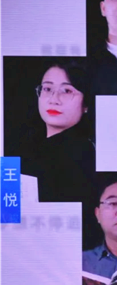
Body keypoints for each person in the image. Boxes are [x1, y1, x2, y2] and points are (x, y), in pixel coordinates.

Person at [19, 59, 96, 203]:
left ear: (86, 103)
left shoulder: (82, 156)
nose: (54, 100)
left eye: (67, 91)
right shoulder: (31, 147)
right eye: (47, 89)